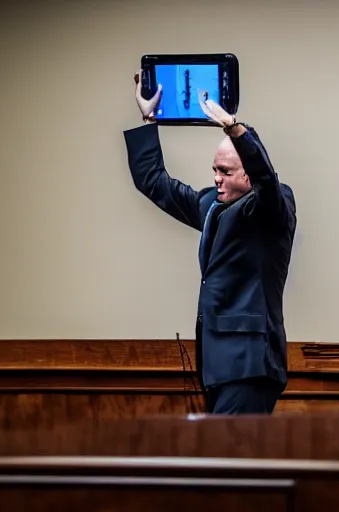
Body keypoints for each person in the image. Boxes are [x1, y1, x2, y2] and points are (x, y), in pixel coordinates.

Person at [123, 72, 297, 414]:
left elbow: (266, 180)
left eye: (226, 171)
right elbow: (155, 183)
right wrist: (147, 118)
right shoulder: (212, 206)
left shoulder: (272, 207)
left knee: (227, 460)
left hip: (252, 365)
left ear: (248, 173)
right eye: (214, 169)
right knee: (233, 464)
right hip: (218, 365)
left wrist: (237, 131)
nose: (216, 178)